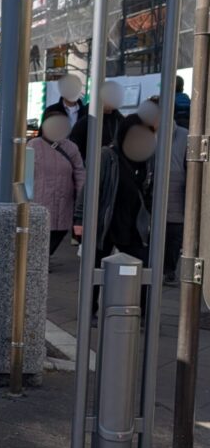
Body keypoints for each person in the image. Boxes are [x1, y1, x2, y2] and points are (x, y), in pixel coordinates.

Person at [74, 114, 158, 322]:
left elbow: (149, 191)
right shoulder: (107, 156)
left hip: (133, 223)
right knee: (93, 269)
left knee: (143, 268)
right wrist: (79, 220)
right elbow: (89, 189)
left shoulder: (148, 159)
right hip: (105, 221)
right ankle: (88, 311)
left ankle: (141, 313)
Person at [138, 96, 188, 286]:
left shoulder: (184, 135)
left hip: (175, 193)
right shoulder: (141, 134)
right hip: (148, 194)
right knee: (148, 235)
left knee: (173, 236)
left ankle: (168, 271)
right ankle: (150, 269)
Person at [29, 106, 85, 255]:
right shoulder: (33, 145)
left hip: (63, 200)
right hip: (39, 199)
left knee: (59, 232)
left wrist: (82, 195)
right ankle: (38, 261)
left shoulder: (71, 147)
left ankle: (43, 258)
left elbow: (79, 171)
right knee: (39, 232)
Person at [70, 80, 126, 164]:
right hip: (90, 169)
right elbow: (74, 150)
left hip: (114, 171)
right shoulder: (86, 121)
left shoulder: (120, 121)